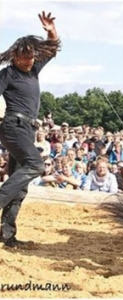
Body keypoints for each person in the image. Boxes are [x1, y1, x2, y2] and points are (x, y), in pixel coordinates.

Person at [0, 11, 61, 249]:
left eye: (31, 57)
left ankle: (7, 235)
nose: (29, 61)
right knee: (36, 165)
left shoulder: (34, 70)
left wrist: (51, 30)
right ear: (14, 56)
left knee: (21, 186)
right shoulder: (8, 74)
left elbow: (53, 48)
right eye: (24, 58)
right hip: (12, 126)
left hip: (26, 128)